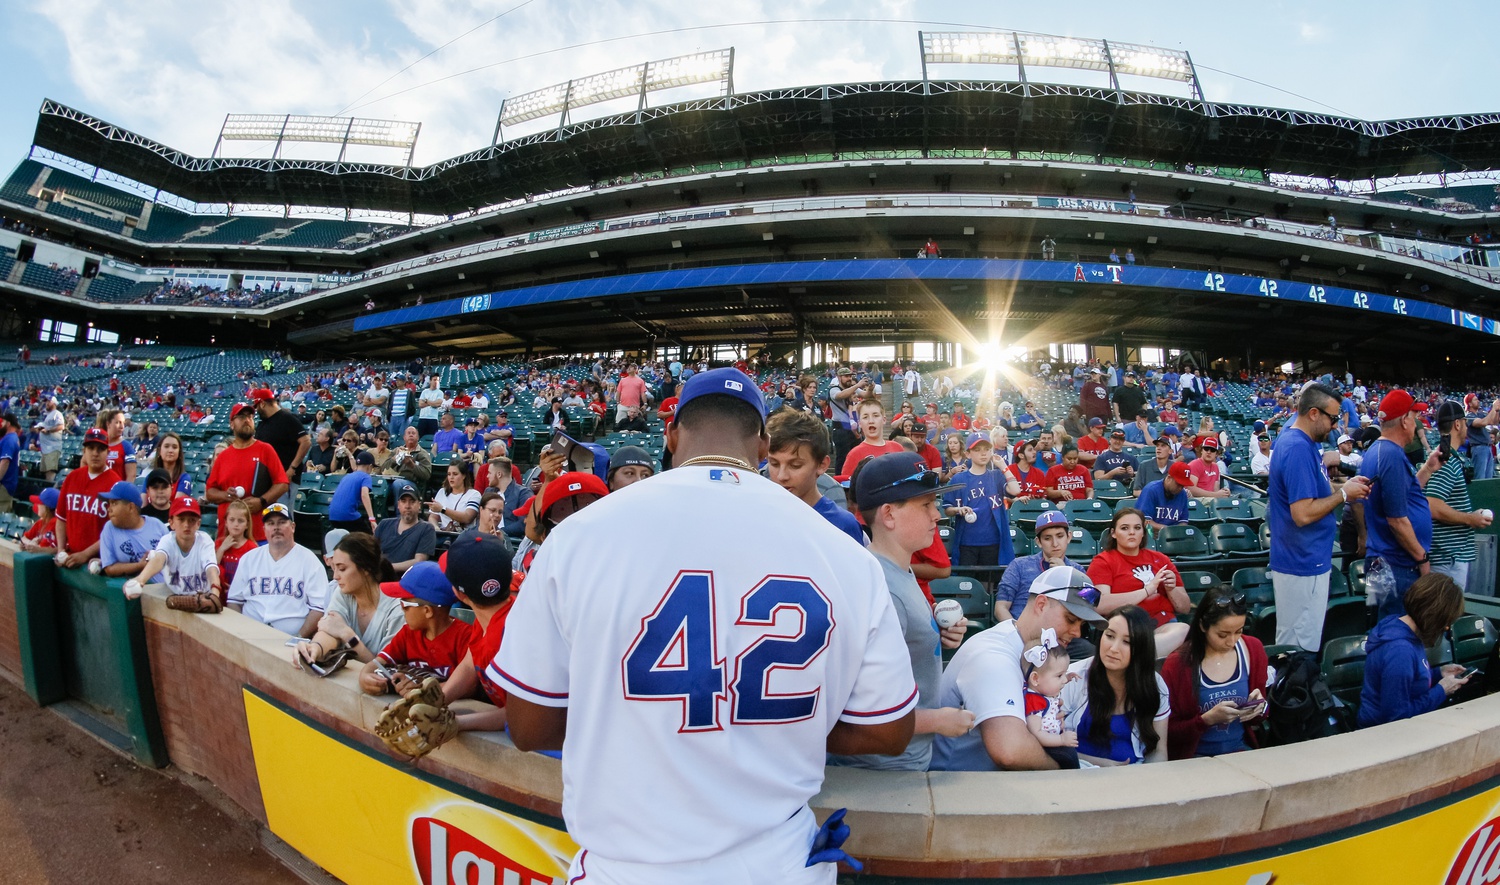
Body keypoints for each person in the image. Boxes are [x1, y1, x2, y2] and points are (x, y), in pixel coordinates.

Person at [492, 367, 918, 882]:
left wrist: (638, 720)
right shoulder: (844, 552)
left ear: (671, 434)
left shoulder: (577, 536)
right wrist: (773, 727)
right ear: (763, 445)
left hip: (627, 868)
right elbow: (888, 730)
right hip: (778, 865)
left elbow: (530, 727)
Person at [830, 453, 972, 771]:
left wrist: (933, 632)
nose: (937, 515)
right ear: (889, 515)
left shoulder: (895, 570)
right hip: (880, 772)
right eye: (926, 505)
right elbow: (855, 709)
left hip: (898, 761)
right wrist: (938, 720)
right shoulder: (883, 588)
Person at [932, 567, 1106, 771]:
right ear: (1041, 604)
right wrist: (1064, 770)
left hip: (990, 779)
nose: (1077, 632)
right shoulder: (993, 654)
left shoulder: (1035, 652)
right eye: (1070, 619)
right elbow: (1010, 752)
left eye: (1082, 624)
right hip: (953, 782)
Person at [1161, 589, 1270, 759]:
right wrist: (1206, 720)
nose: (1231, 641)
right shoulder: (1177, 664)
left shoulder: (1253, 649)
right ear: (1203, 626)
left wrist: (1261, 708)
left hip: (1240, 750)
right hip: (1195, 758)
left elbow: (1260, 717)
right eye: (1222, 635)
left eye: (1239, 631)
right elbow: (1167, 732)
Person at [1359, 389, 1439, 618]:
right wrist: (1422, 558)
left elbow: (1404, 495)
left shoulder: (1378, 450)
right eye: (1414, 416)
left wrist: (1428, 468)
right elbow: (1396, 520)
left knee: (1382, 626)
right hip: (1397, 565)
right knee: (1396, 629)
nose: (1416, 422)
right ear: (1404, 420)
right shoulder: (1391, 454)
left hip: (1381, 562)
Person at [1060, 605, 1170, 765]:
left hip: (1135, 774)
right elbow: (1051, 747)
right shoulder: (1072, 677)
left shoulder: (1155, 685)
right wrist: (1106, 766)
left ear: (1142, 648)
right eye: (1110, 636)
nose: (1113, 648)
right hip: (1078, 771)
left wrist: (1148, 777)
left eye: (1127, 642)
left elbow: (1158, 751)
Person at [1358, 573, 1471, 728]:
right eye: (1445, 622)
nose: (1446, 628)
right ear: (1433, 616)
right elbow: (1397, 716)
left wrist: (1439, 673)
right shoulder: (1400, 652)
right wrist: (1441, 690)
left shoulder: (1400, 625)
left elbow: (1407, 682)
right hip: (1383, 734)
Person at [356, 561, 477, 695]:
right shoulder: (408, 633)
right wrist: (364, 675)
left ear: (427, 611)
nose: (401, 609)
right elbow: (378, 662)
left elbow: (469, 686)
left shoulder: (465, 636)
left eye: (405, 604)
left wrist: (421, 689)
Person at [293, 532, 403, 671]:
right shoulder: (342, 593)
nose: (335, 576)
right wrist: (315, 648)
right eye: (334, 568)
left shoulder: (397, 610)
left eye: (342, 569)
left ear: (366, 569)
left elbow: (384, 670)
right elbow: (330, 630)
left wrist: (347, 635)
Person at [1087, 508, 1190, 657]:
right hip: (1127, 629)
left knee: (1183, 631)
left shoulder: (1161, 559)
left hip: (1163, 626)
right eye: (1124, 528)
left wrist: (1171, 589)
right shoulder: (1102, 561)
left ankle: (1135, 657)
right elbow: (1099, 605)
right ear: (1113, 533)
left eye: (1137, 528)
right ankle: (1137, 657)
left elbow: (1185, 608)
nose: (1132, 532)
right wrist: (1147, 590)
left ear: (1143, 532)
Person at [439, 534, 516, 733]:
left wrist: (456, 723)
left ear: (459, 594)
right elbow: (470, 662)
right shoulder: (493, 616)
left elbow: (523, 715)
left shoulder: (508, 639)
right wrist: (437, 702)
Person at [226, 503, 327, 637]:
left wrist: (298, 638)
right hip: (249, 635)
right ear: (264, 529)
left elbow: (319, 608)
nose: (276, 527)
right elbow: (234, 601)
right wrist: (239, 633)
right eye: (270, 523)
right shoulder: (249, 559)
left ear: (293, 527)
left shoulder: (310, 561)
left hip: (289, 638)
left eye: (282, 522)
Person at [765, 410, 863, 544]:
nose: (782, 476)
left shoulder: (842, 525)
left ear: (822, 465)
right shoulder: (759, 516)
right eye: (774, 464)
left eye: (795, 465)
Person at [1426, 400, 1493, 588]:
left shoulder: (1443, 454)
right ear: (1457, 424)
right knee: (1446, 607)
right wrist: (1470, 519)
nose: (1467, 427)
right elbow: (1432, 505)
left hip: (1448, 556)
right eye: (1465, 422)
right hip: (1447, 557)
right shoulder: (1445, 459)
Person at [205, 402, 289, 543]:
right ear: (232, 424)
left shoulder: (265, 450)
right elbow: (210, 492)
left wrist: (261, 501)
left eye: (250, 417)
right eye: (241, 417)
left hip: (259, 534)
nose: (247, 420)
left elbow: (282, 484)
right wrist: (226, 495)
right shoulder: (223, 456)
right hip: (228, 536)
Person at [994, 511, 1085, 622]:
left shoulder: (1078, 571)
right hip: (1021, 627)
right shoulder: (1019, 565)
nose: (1055, 544)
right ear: (1039, 542)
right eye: (1047, 538)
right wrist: (1017, 630)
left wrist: (1065, 574)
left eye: (1060, 536)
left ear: (1069, 537)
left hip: (1061, 630)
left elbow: (1085, 609)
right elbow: (1000, 608)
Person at [127, 496, 221, 603]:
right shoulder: (167, 540)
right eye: (181, 519)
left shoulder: (204, 540)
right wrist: (140, 579)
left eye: (192, 520)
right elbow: (159, 559)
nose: (186, 525)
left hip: (202, 598)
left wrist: (215, 593)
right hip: (174, 595)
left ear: (198, 524)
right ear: (171, 523)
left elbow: (211, 569)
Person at [942, 436, 1018, 568]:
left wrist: (1003, 466)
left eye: (987, 449)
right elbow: (947, 509)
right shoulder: (958, 479)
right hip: (967, 541)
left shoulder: (996, 476)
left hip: (992, 541)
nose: (983, 453)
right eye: (977, 450)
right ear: (968, 454)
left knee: (988, 579)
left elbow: (1015, 490)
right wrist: (958, 510)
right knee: (967, 578)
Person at [54, 428, 122, 568]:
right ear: (84, 451)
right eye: (91, 448)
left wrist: (85, 554)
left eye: (100, 449)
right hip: (70, 557)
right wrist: (60, 549)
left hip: (98, 563)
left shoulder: (116, 484)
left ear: (108, 452)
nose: (95, 453)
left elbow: (115, 531)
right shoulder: (72, 477)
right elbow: (61, 519)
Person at [1022, 638, 1079, 768]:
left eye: (1065, 674)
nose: (1063, 680)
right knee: (1069, 756)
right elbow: (1036, 733)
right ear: (1035, 679)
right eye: (1059, 676)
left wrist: (1068, 678)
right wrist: (1061, 740)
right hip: (1046, 747)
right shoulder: (1034, 702)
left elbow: (1051, 682)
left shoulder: (1043, 693)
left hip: (1053, 740)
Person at [97, 481, 167, 580]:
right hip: (134, 588)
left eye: (114, 503)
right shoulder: (109, 528)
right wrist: (139, 566)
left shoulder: (157, 526)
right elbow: (109, 568)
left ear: (131, 507)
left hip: (164, 586)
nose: (109, 509)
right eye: (109, 503)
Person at [253, 388, 310, 501]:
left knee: (282, 511)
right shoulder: (263, 423)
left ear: (262, 404)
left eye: (257, 406)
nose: (256, 410)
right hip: (267, 479)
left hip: (284, 479)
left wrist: (292, 468)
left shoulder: (287, 418)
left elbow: (306, 442)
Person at [328, 450, 380, 533]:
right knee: (368, 538)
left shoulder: (346, 476)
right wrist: (372, 519)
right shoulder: (366, 477)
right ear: (369, 466)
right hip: (348, 516)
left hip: (332, 516)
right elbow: (364, 495)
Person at [1137, 461, 1194, 530]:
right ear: (1169, 478)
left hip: (1174, 535)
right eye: (1178, 484)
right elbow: (1144, 521)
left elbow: (1183, 522)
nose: (1180, 488)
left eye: (1183, 485)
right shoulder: (1151, 490)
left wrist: (1173, 532)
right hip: (1152, 534)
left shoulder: (1183, 494)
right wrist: (1167, 530)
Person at [216, 499, 257, 590]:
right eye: (232, 520)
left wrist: (237, 589)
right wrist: (221, 549)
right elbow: (211, 569)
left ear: (247, 525)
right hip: (219, 593)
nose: (236, 524)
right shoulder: (219, 543)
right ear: (226, 522)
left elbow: (255, 578)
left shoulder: (252, 548)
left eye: (240, 521)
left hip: (241, 594)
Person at [428, 461, 481, 531]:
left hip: (465, 534)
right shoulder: (442, 492)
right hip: (444, 533)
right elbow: (433, 516)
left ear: (464, 476)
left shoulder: (474, 494)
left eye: (455, 474)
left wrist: (442, 509)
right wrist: (435, 527)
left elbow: (467, 518)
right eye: (449, 474)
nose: (451, 477)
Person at [97, 409, 138, 484]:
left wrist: (124, 490)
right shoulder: (97, 444)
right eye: (118, 423)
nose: (122, 426)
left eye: (123, 423)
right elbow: (85, 464)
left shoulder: (126, 446)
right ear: (108, 424)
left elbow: (131, 475)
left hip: (117, 489)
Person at [20, 488, 59, 553]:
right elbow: (24, 538)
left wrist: (36, 547)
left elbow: (51, 549)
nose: (37, 505)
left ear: (48, 507)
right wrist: (28, 544)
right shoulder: (40, 522)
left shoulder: (55, 523)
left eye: (39, 503)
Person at [35, 397, 65, 480]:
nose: (47, 403)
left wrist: (48, 430)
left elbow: (61, 426)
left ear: (54, 403)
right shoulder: (47, 415)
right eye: (46, 401)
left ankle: (51, 487)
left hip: (53, 447)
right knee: (46, 472)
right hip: (46, 448)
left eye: (49, 401)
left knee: (50, 471)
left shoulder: (57, 413)